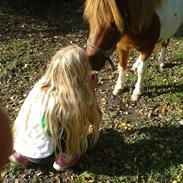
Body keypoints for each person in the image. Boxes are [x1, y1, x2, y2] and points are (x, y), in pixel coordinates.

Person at [9, 45, 102, 171]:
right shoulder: (76, 98)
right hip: (45, 152)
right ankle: (66, 157)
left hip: (21, 144)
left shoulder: (41, 84)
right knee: (74, 122)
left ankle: (22, 156)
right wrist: (91, 89)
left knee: (44, 121)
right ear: (80, 71)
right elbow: (95, 116)